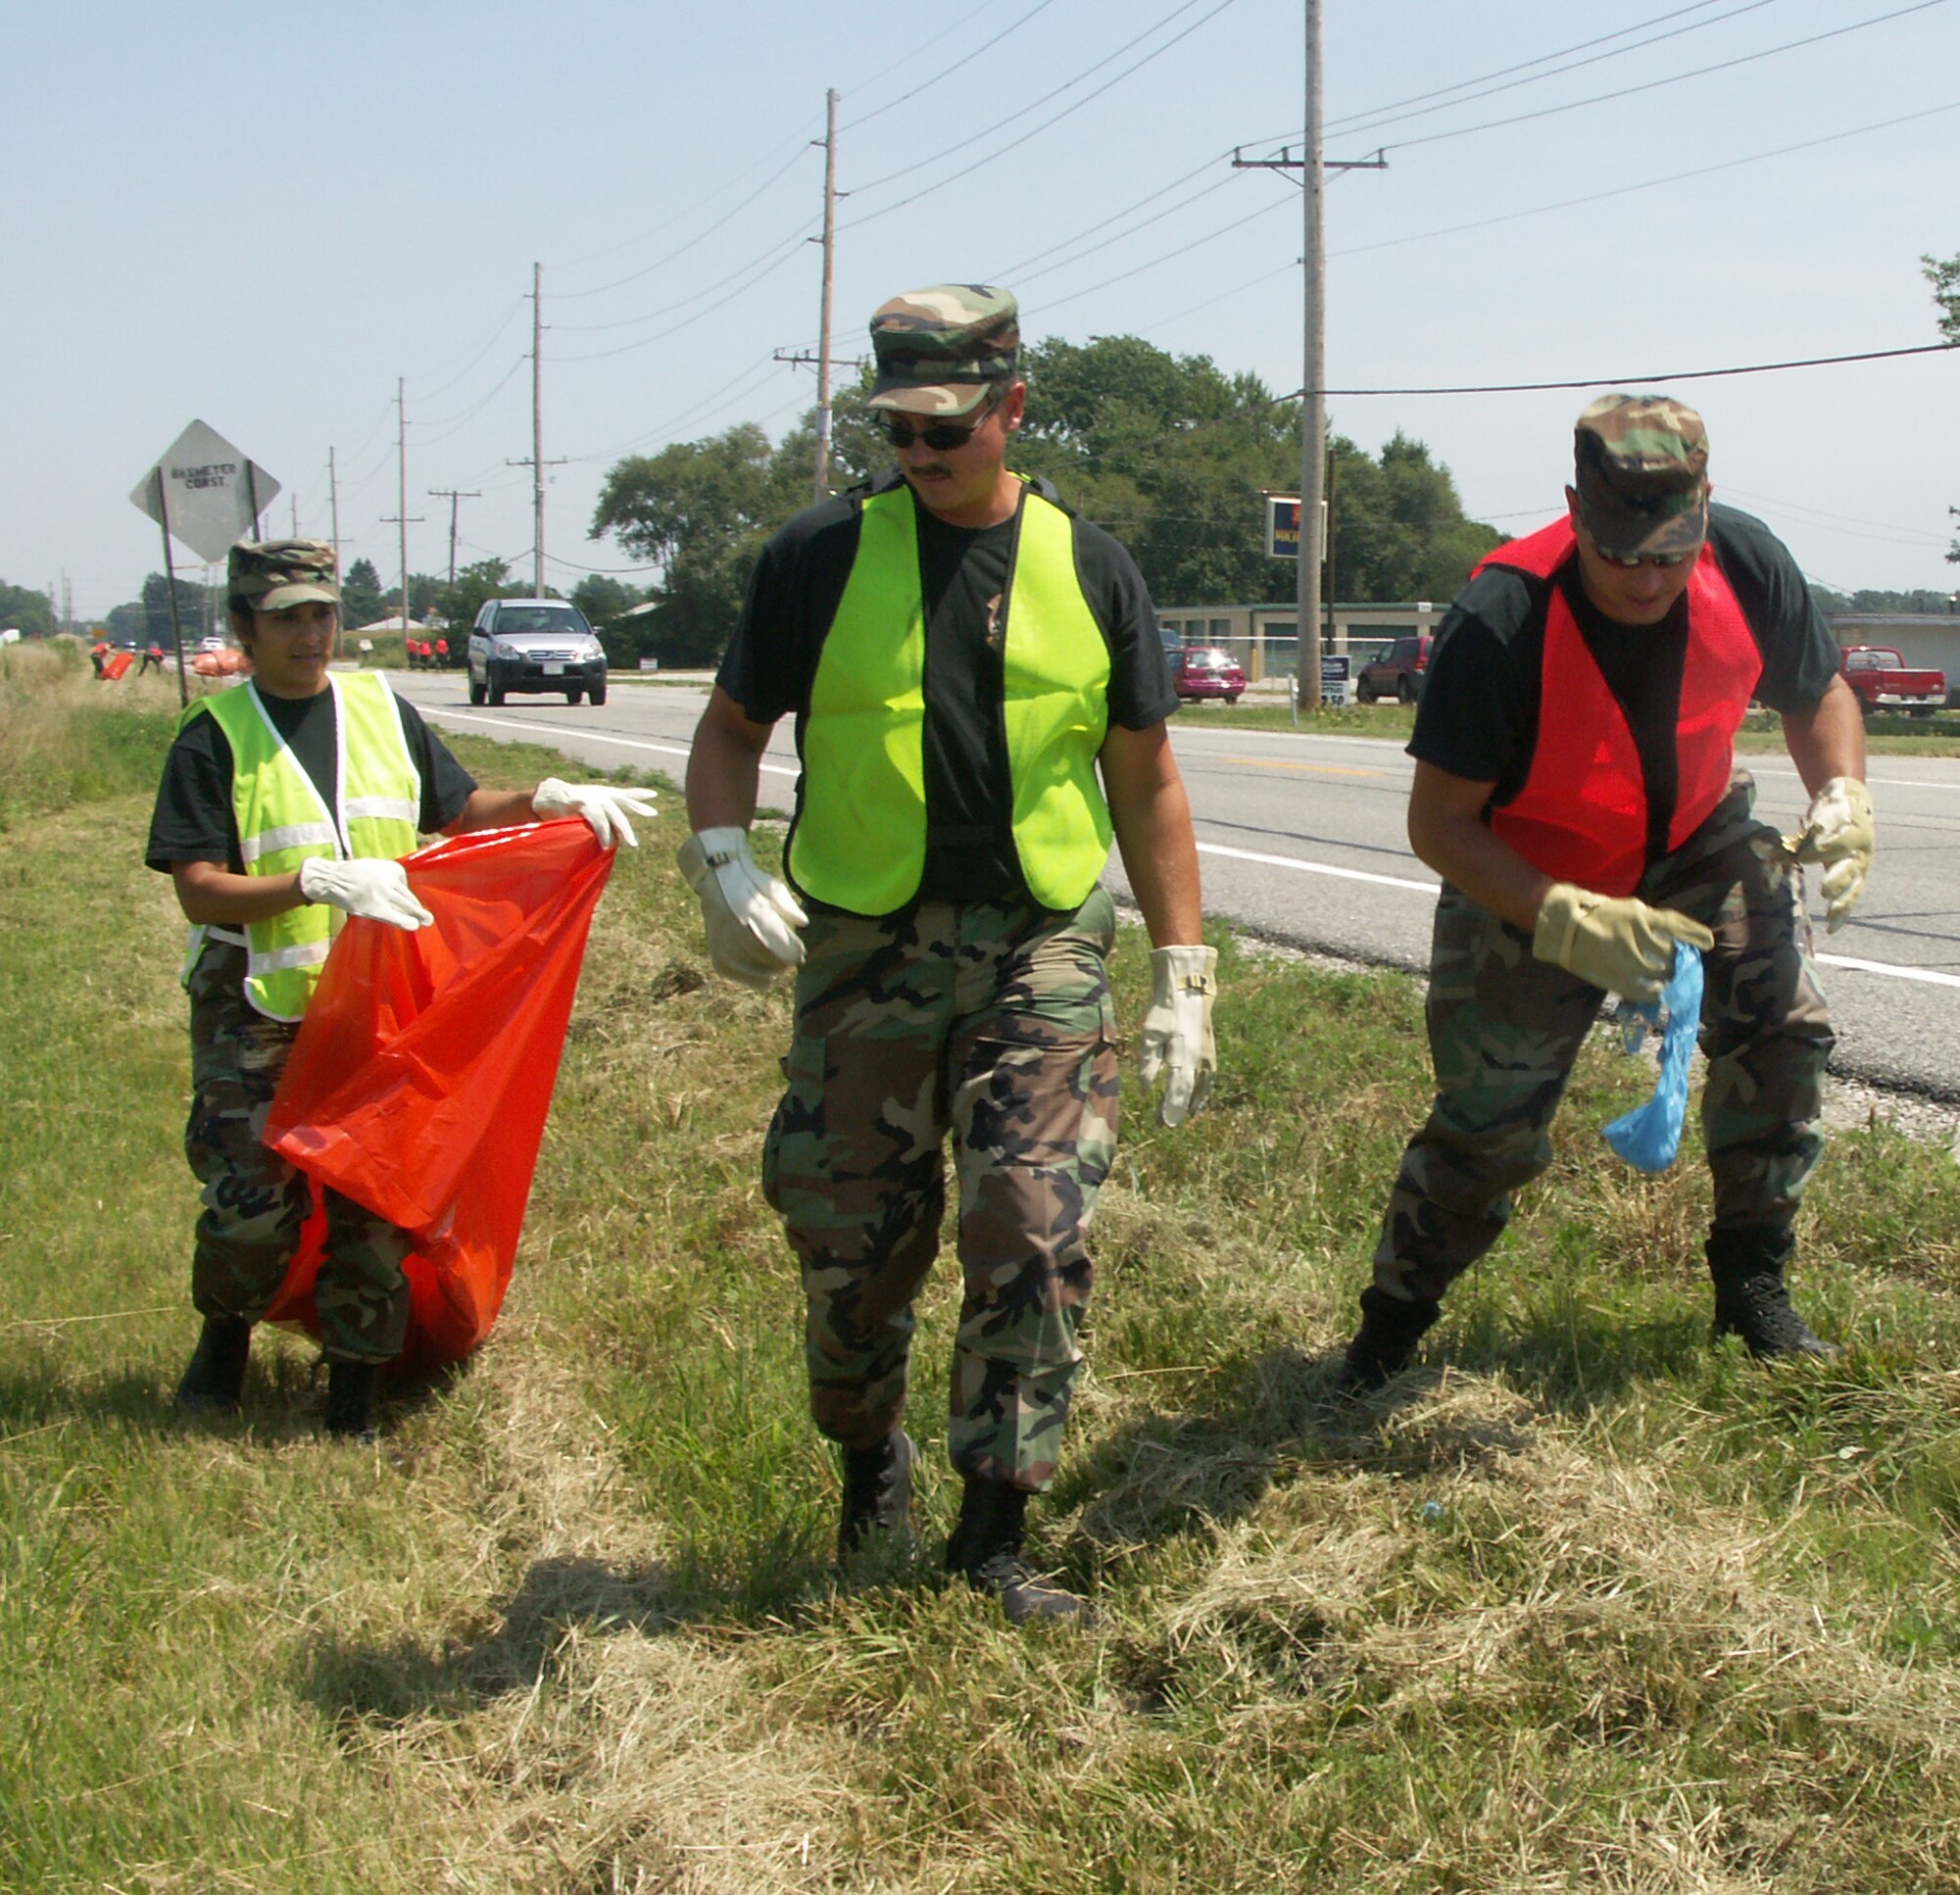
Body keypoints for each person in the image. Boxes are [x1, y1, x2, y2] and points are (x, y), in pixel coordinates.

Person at [680, 286, 1216, 1623]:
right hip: (865, 950)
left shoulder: (1090, 567)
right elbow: (731, 730)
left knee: (1032, 1225)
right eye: (900, 431)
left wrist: (1184, 974)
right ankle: (870, 1457)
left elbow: (1147, 783)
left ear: (1012, 408)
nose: (920, 456)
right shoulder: (816, 557)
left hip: (1041, 943)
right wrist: (722, 859)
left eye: (948, 429)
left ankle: (992, 1531)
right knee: (852, 1244)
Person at [1340, 395, 1874, 1391]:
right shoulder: (1499, 616)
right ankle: (1388, 1326)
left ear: (1703, 509)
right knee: (1490, 1119)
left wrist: (1840, 788)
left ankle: (1751, 1281)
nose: (1643, 576)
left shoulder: (1747, 562)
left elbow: (1817, 692)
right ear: (1571, 506)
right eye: (1616, 550)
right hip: (1529, 865)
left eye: (1666, 552)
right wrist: (1560, 916)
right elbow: (1437, 823)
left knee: (1783, 1027)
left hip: (1695, 836)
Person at [147, 539, 657, 1438]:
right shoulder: (214, 735)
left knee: (377, 1200)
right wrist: (313, 882)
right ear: (243, 628)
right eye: (285, 619)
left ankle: (356, 1390)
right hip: (259, 1004)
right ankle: (224, 1337)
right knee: (251, 1208)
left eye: (322, 614)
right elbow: (197, 887)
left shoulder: (381, 707)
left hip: (381, 1003)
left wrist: (544, 801)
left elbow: (456, 810)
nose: (310, 635)